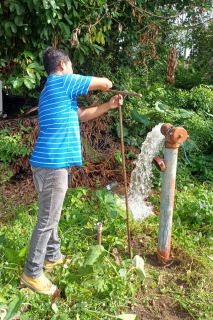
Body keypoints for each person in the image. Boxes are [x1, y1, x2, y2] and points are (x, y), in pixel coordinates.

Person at [20, 46, 123, 295]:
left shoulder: (52, 91)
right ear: (64, 64)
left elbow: (81, 115)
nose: (73, 70)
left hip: (48, 164)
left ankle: (52, 256)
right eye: (71, 65)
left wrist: (108, 105)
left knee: (51, 213)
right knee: (47, 220)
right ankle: (32, 273)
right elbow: (103, 82)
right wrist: (107, 85)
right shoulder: (62, 81)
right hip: (52, 165)